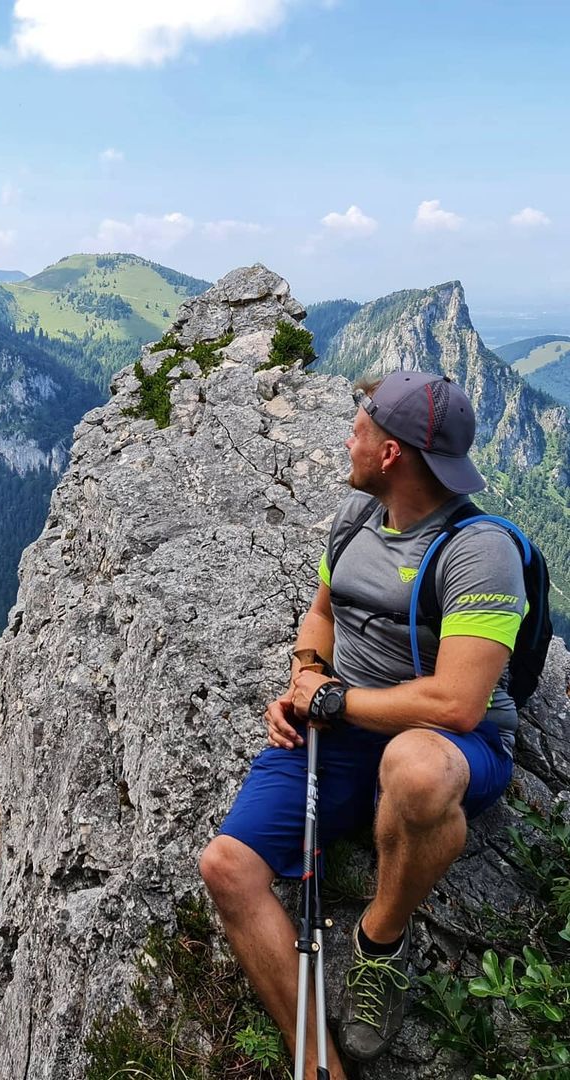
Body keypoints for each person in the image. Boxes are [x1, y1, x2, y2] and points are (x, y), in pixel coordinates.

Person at [199, 370, 525, 1079]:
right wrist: (304, 676)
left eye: (359, 429)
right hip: (344, 729)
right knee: (226, 866)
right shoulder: (358, 517)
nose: (347, 437)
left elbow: (456, 705)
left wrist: (334, 701)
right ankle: (318, 1062)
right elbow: (322, 611)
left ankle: (380, 941)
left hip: (450, 743)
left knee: (414, 766)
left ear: (391, 455)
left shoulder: (480, 551)